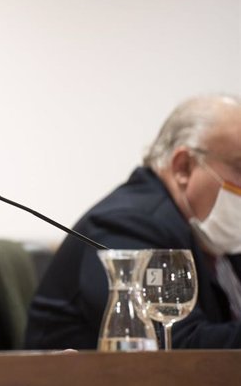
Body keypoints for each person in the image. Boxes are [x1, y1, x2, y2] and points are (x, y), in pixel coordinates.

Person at [25, 94, 241, 350]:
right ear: (183, 167)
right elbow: (174, 348)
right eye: (240, 167)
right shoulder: (130, 225)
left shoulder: (213, 233)